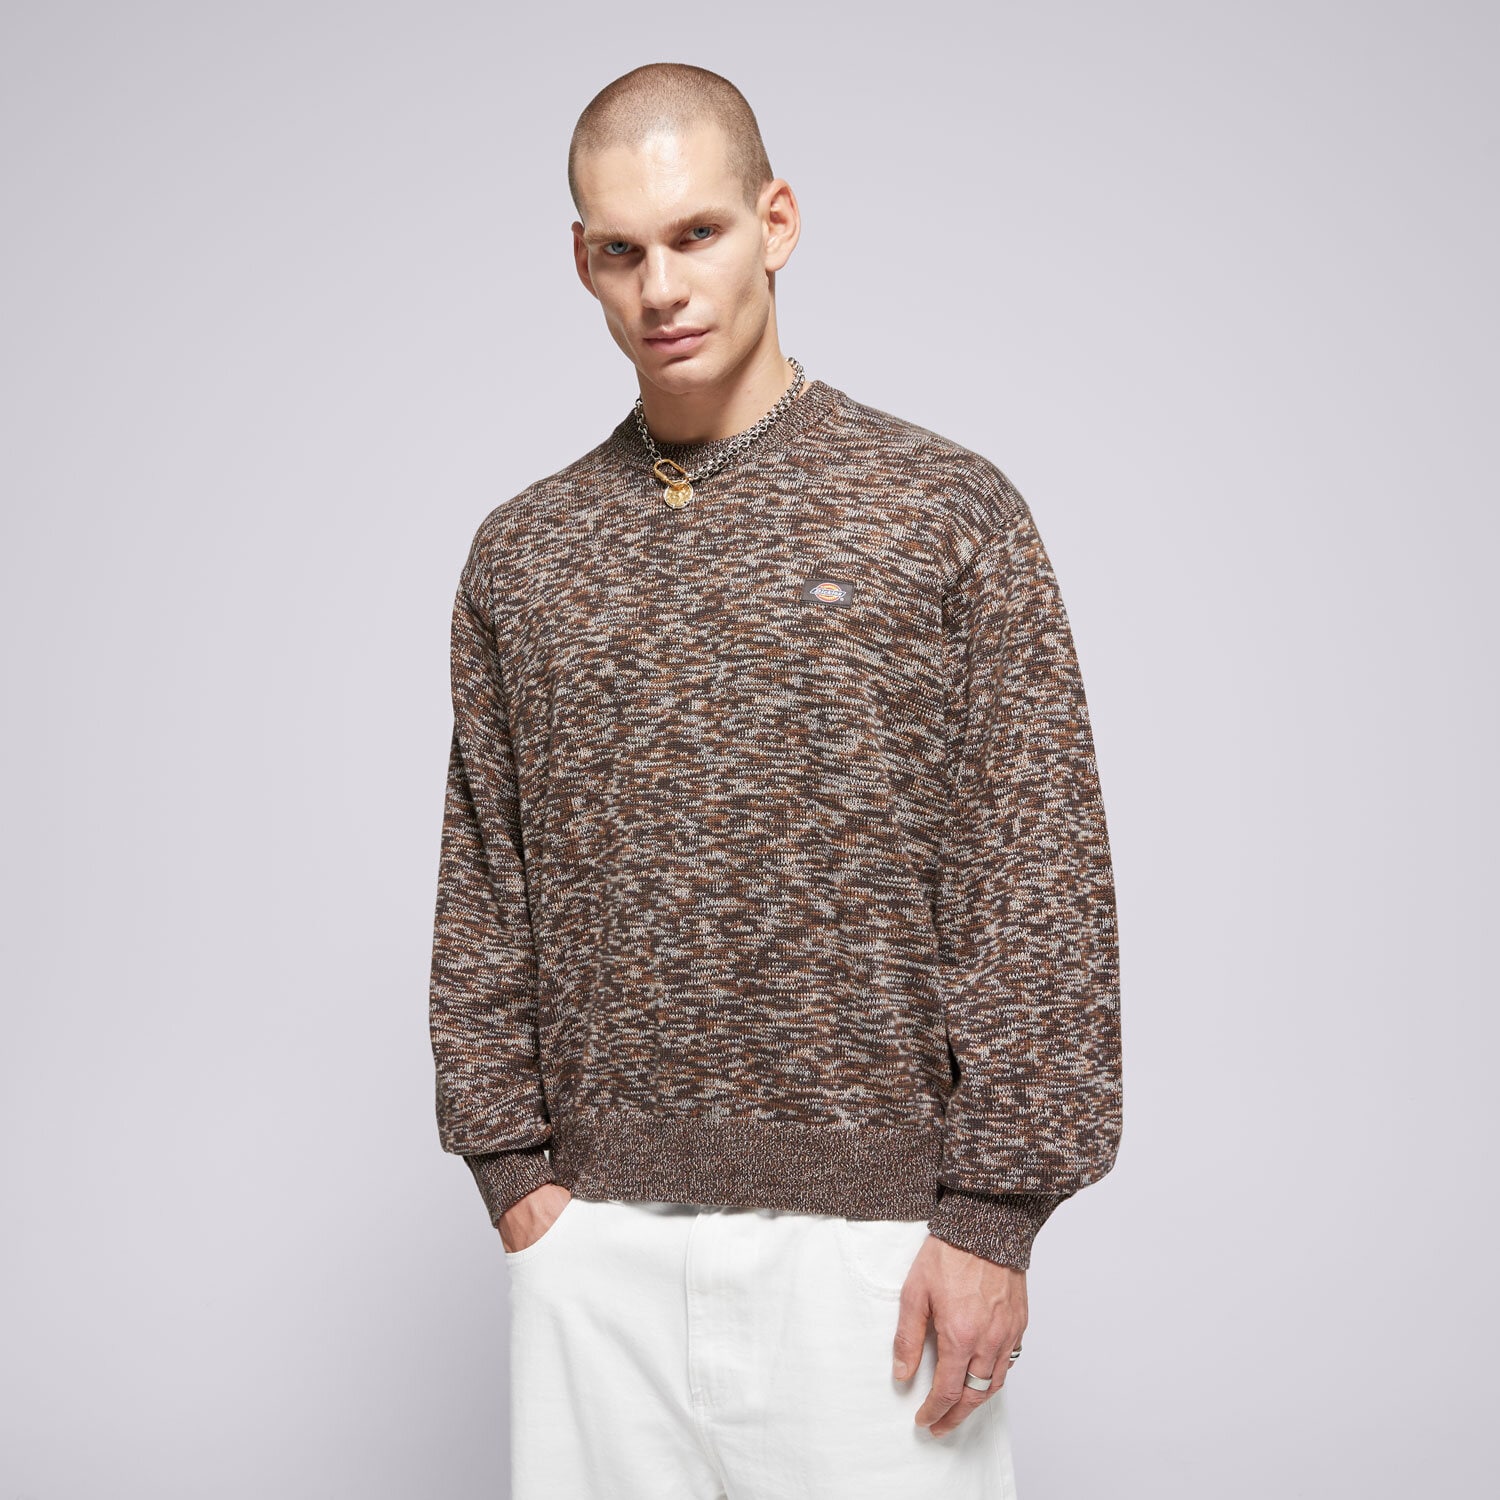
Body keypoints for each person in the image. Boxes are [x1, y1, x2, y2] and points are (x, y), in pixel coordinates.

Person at [428, 60, 1123, 1500]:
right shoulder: (523, 554)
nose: (661, 287)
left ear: (777, 223)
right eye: (620, 250)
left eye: (697, 234)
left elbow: (1034, 869)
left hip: (881, 1253)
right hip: (594, 1250)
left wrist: (993, 1219)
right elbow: (485, 882)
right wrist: (519, 1185)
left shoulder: (944, 511)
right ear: (581, 263)